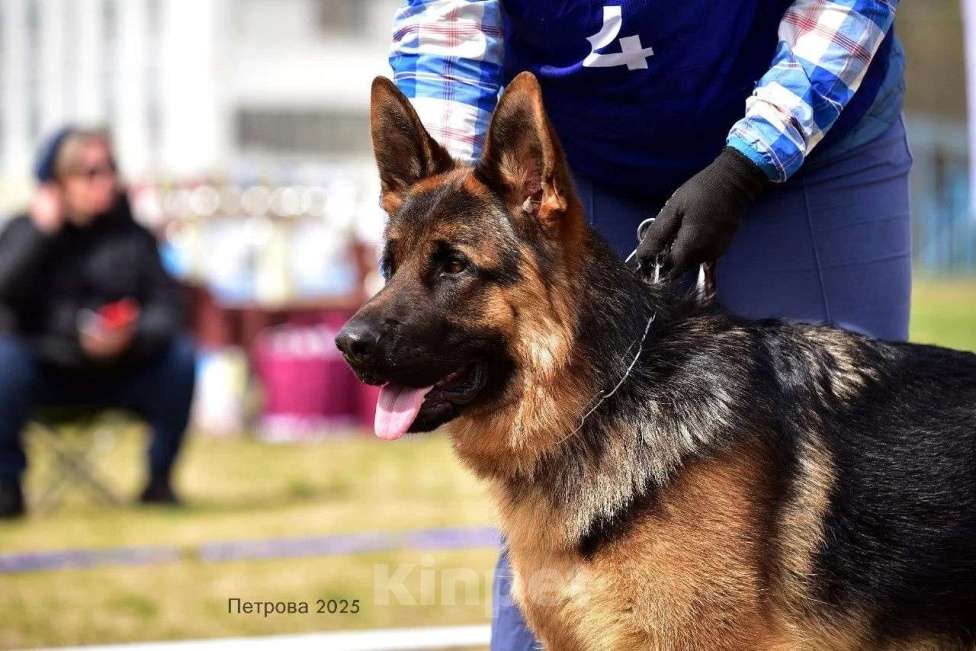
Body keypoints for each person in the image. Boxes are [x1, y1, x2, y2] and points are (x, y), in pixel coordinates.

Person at [388, 1, 909, 648]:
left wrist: (747, 165)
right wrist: (454, 207)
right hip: (581, 161)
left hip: (814, 133)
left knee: (853, 468)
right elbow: (448, 28)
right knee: (547, 475)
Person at [0, 127, 196, 518]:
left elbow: (169, 309)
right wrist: (40, 234)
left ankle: (159, 481)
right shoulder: (25, 232)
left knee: (181, 358)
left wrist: (132, 334)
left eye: (109, 169)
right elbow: (6, 295)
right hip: (50, 370)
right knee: (4, 361)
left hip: (120, 370)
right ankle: (6, 486)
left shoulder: (133, 238)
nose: (105, 181)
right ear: (57, 183)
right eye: (90, 172)